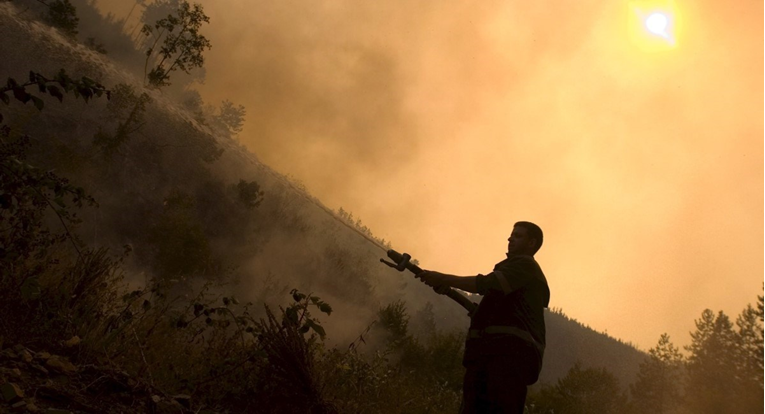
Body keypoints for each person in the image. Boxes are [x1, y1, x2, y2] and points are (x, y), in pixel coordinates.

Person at [418, 221, 550, 414]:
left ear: (532, 243)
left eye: (518, 236)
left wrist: (442, 278)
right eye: (511, 235)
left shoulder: (525, 265)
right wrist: (454, 293)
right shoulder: (515, 273)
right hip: (492, 358)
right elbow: (499, 309)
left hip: (507, 360)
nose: (510, 239)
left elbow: (486, 283)